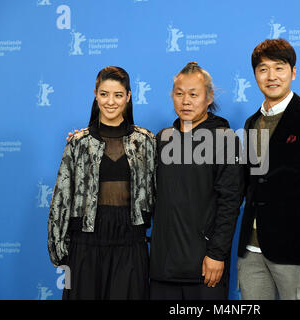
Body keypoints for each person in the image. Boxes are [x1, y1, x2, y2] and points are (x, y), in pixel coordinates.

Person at [237, 39, 300, 300]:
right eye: (263, 69)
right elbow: (251, 183)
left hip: (297, 252)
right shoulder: (252, 123)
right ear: (255, 75)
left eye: (279, 68)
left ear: (293, 72)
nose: (271, 76)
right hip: (251, 251)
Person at [48, 66, 156, 300]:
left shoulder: (147, 142)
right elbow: (61, 198)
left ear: (128, 97)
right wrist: (58, 247)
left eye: (118, 95)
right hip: (85, 242)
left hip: (131, 241)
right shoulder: (78, 142)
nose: (111, 102)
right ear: (96, 95)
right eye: (104, 94)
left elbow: (161, 194)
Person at [149, 62, 244, 300]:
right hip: (162, 268)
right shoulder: (162, 139)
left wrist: (217, 254)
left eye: (193, 94)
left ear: (209, 97)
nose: (185, 101)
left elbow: (230, 203)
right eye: (179, 94)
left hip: (205, 268)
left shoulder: (225, 140)